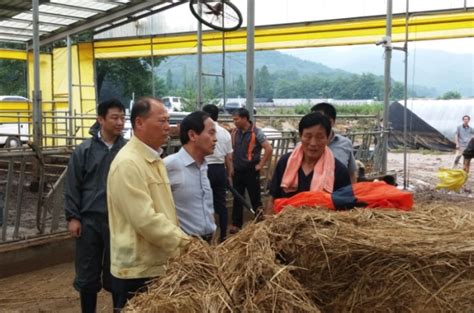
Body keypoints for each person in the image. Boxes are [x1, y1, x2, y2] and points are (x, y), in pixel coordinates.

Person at [107, 97, 190, 310]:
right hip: (137, 270)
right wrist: (185, 243)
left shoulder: (153, 159)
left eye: (168, 121)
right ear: (139, 124)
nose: (167, 127)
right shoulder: (128, 163)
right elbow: (145, 220)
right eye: (161, 121)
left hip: (157, 263)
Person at [64, 98, 126, 313]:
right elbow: (73, 184)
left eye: (122, 117)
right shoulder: (85, 150)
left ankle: (118, 310)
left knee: (119, 270)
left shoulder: (127, 150)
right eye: (114, 117)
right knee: (87, 272)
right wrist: (73, 217)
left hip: (118, 221)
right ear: (101, 119)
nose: (120, 122)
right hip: (90, 219)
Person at [265, 112, 351, 214]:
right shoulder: (285, 162)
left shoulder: (338, 171)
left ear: (327, 139)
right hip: (285, 225)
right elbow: (273, 198)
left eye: (319, 137)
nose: (313, 143)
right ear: (300, 136)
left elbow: (345, 211)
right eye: (308, 136)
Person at [164, 111, 217, 243]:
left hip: (207, 246)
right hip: (185, 248)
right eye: (211, 133)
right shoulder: (170, 165)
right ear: (192, 135)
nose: (215, 138)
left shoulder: (204, 166)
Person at [230, 108, 273, 233]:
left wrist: (260, 165)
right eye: (233, 120)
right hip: (237, 170)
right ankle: (236, 224)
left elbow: (268, 149)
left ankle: (260, 221)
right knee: (237, 197)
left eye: (236, 119)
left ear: (245, 118)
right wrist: (232, 167)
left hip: (251, 170)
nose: (235, 122)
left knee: (255, 197)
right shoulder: (234, 133)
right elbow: (232, 151)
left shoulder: (257, 132)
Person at [202, 104, 233, 242]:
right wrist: (229, 174)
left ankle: (207, 235)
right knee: (221, 204)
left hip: (206, 169)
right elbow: (229, 157)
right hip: (220, 169)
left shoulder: (203, 131)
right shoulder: (225, 132)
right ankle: (224, 236)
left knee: (205, 202)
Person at [311, 102, 357, 183]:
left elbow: (351, 174)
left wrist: (351, 193)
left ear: (331, 122)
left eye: (317, 120)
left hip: (338, 194)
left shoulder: (345, 144)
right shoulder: (303, 146)